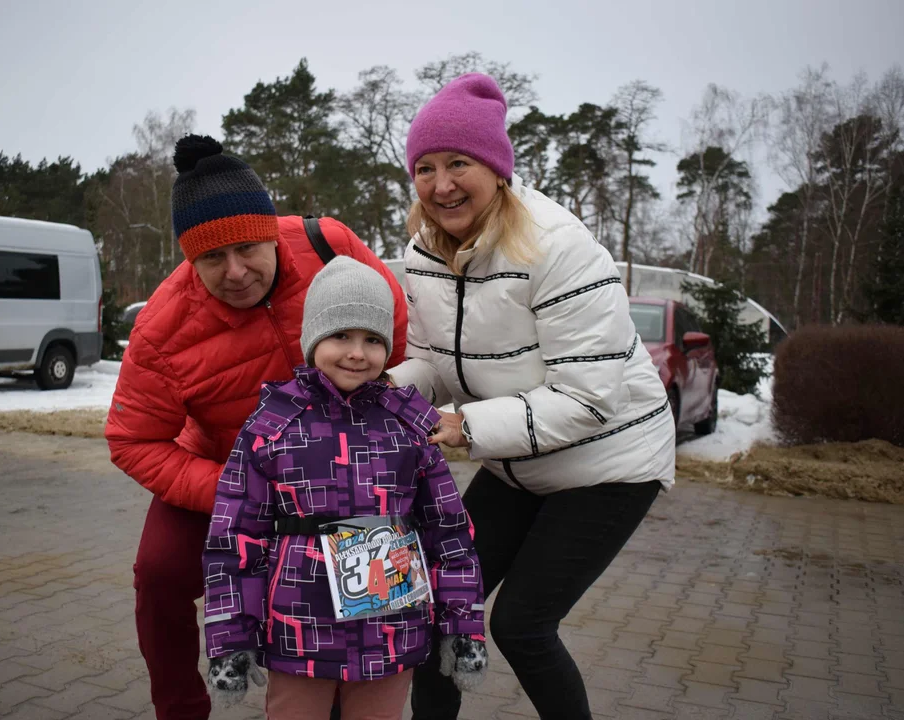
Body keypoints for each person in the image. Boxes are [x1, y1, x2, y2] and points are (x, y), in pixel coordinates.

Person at [390, 73, 677, 720]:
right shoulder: (424, 252)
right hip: (514, 457)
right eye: (425, 168)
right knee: (438, 608)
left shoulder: (559, 248)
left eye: (458, 163)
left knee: (520, 624)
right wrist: (383, 394)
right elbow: (432, 362)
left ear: (494, 166)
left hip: (608, 461)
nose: (441, 185)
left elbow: (586, 399)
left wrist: (463, 428)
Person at [105, 135, 409, 720]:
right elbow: (132, 439)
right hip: (227, 467)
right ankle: (181, 708)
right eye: (212, 259)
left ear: (272, 231)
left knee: (363, 595)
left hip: (344, 464)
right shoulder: (162, 330)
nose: (236, 272)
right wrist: (230, 487)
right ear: (190, 259)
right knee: (159, 573)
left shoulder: (328, 245)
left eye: (247, 247)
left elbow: (393, 329)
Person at [201, 257, 488, 720]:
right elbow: (233, 538)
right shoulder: (273, 426)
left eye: (373, 340)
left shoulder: (410, 426)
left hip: (390, 628)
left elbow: (449, 532)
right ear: (313, 339)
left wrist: (463, 623)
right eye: (341, 336)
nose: (357, 353)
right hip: (300, 628)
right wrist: (231, 634)